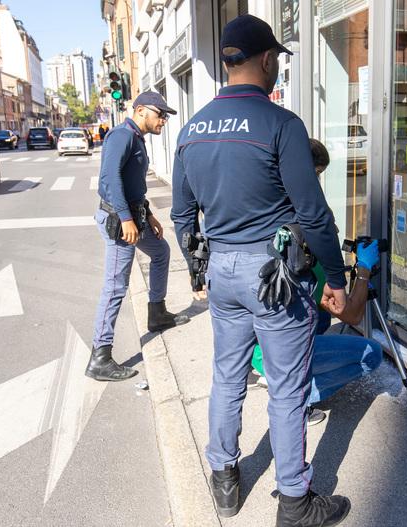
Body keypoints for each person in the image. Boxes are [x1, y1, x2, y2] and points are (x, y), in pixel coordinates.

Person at [171, 14, 352, 527]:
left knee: (227, 374)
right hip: (273, 275)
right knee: (287, 386)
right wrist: (336, 279)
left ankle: (225, 478)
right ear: (267, 59)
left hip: (223, 269)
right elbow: (314, 213)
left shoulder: (191, 129)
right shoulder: (281, 124)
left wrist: (199, 267)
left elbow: (184, 215)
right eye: (276, 60)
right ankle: (295, 501)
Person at [252, 139, 383, 426]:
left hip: (258, 343)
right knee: (372, 353)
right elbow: (351, 315)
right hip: (279, 350)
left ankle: (268, 371)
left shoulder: (274, 226)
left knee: (321, 321)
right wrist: (363, 268)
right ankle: (298, 396)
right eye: (316, 176)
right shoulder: (311, 263)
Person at [87, 91, 190, 383]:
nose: (164, 121)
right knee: (116, 286)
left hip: (134, 214)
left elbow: (133, 184)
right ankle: (100, 357)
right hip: (119, 221)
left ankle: (157, 313)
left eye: (167, 116)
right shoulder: (122, 136)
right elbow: (110, 179)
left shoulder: (136, 137)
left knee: (160, 252)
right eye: (161, 114)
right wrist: (127, 218)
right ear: (141, 110)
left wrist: (148, 213)